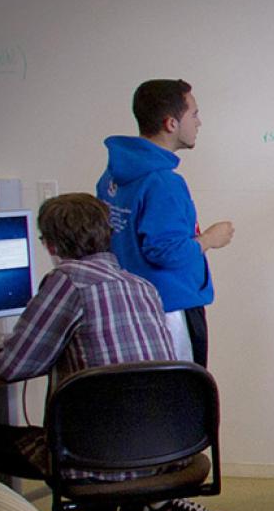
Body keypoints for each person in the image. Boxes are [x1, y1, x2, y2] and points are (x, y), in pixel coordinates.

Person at [0, 193, 226, 511]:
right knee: (108, 420)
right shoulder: (143, 287)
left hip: (98, 459)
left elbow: (13, 365)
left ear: (51, 243)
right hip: (167, 452)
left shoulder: (66, 284)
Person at [97, 78, 234, 368]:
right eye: (194, 114)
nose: (199, 123)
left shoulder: (113, 175)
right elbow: (166, 251)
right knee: (179, 395)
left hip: (130, 307)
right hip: (169, 309)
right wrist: (210, 238)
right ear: (171, 123)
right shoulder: (163, 182)